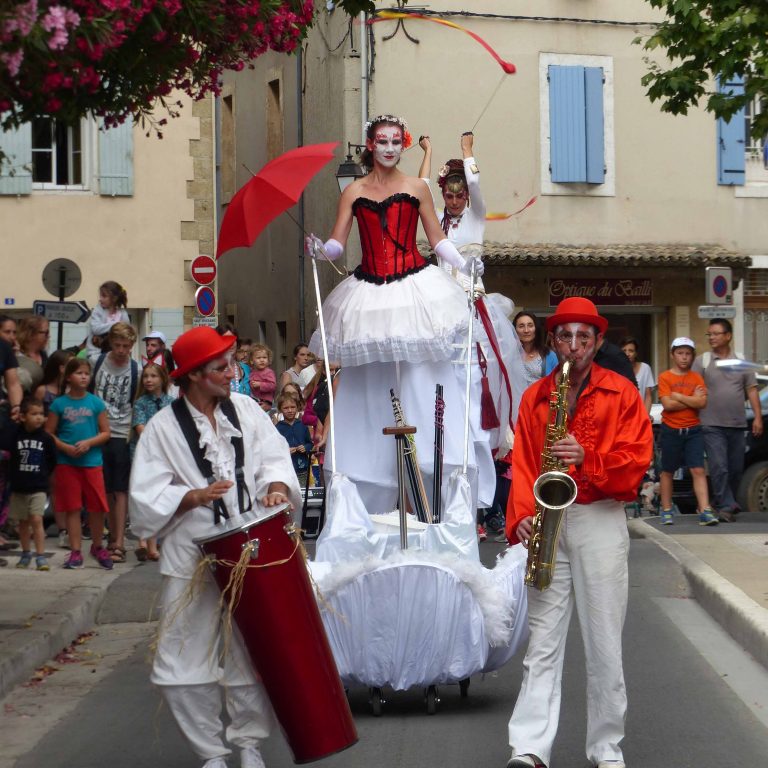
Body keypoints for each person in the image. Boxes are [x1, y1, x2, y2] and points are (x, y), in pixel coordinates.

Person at [129, 326, 302, 768]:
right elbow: (144, 501)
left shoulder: (245, 408)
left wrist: (277, 487)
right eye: (221, 367)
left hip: (252, 550)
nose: (232, 372)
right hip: (191, 553)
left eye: (231, 363)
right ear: (193, 376)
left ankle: (248, 744)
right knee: (181, 657)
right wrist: (191, 497)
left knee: (257, 649)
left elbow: (275, 457)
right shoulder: (162, 429)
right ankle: (211, 753)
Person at [306, 113, 484, 516]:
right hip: (368, 291)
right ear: (370, 145)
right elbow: (338, 243)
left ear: (402, 144)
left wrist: (467, 264)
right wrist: (320, 249)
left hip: (413, 288)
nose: (388, 148)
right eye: (380, 141)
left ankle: (428, 485)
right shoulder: (352, 191)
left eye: (394, 141)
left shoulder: (417, 187)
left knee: (421, 382)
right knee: (370, 384)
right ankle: (375, 481)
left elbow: (436, 240)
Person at [504, 296, 653, 768]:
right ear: (553, 341)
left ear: (597, 341)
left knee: (604, 641)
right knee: (541, 644)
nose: (573, 346)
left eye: (583, 338)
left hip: (600, 518)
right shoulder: (535, 397)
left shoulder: (622, 392)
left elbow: (637, 461)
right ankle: (529, 748)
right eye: (565, 337)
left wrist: (589, 458)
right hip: (548, 521)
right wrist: (522, 514)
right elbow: (525, 462)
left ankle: (606, 748)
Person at [693, 318, 763, 522]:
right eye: (709, 334)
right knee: (719, 466)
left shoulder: (741, 362)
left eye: (715, 333)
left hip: (737, 423)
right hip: (710, 424)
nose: (711, 338)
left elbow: (751, 390)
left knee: (735, 468)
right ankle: (727, 504)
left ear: (728, 336)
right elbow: (693, 389)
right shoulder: (702, 361)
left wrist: (757, 417)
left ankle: (723, 502)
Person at [47, 357, 112, 570]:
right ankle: (76, 551)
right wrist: (64, 447)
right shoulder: (59, 404)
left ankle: (97, 545)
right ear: (68, 377)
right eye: (79, 373)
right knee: (72, 508)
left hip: (92, 462)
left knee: (96, 507)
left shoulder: (95, 402)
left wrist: (88, 443)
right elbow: (49, 433)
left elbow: (105, 433)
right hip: (67, 463)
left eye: (86, 373)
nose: (84, 376)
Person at [90, 322, 139, 563]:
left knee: (121, 488)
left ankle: (119, 541)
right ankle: (110, 536)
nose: (121, 350)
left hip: (121, 432)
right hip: (98, 430)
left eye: (126, 346)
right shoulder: (97, 363)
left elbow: (135, 400)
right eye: (118, 345)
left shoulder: (134, 368)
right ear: (111, 343)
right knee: (105, 487)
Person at [657, 337, 718, 526]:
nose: (684, 357)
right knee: (667, 471)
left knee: (698, 469)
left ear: (692, 356)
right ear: (673, 355)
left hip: (693, 429)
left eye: (688, 354)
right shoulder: (665, 377)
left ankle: (705, 510)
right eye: (680, 353)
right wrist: (690, 399)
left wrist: (679, 396)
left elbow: (702, 403)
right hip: (671, 429)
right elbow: (667, 404)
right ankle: (666, 509)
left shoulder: (696, 377)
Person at [130, 362, 175, 561]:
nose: (148, 380)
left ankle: (157, 540)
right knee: (147, 495)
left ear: (162, 379)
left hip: (165, 455)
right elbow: (141, 428)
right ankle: (147, 542)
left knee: (161, 495)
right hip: (146, 455)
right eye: (145, 376)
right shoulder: (140, 402)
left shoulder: (171, 402)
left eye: (153, 376)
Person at [7, 397, 57, 570]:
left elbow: (52, 460)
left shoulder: (46, 439)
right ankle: (26, 552)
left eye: (41, 414)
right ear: (22, 417)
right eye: (34, 414)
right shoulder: (15, 435)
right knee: (23, 523)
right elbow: (9, 456)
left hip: (38, 487)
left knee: (37, 519)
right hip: (19, 487)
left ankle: (41, 556)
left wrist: (44, 475)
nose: (39, 418)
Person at [275, 392, 313, 487]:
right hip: (285, 470)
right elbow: (274, 449)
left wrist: (305, 448)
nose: (290, 410)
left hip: (303, 469)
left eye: (292, 407)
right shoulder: (277, 428)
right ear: (280, 409)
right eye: (286, 408)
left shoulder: (302, 425)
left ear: (297, 408)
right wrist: (285, 451)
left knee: (302, 494)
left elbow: (310, 443)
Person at [86, 280, 130, 361]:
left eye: (104, 296)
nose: (100, 299)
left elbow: (127, 335)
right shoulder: (97, 311)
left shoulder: (123, 314)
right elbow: (96, 329)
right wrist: (117, 325)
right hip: (96, 354)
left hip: (116, 355)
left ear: (114, 298)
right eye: (100, 296)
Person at [515, 311, 558, 389]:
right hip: (516, 400)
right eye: (521, 326)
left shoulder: (550, 355)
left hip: (539, 400)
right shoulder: (509, 356)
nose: (526, 330)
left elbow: (557, 384)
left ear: (536, 328)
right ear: (515, 330)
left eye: (530, 325)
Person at [620, 336, 655, 413]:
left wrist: (646, 416)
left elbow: (648, 396)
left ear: (636, 353)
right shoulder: (616, 370)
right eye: (624, 350)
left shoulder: (645, 368)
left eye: (631, 351)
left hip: (640, 414)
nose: (627, 354)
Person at [16, 315, 50, 393]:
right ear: (31, 334)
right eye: (45, 332)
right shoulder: (16, 354)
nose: (48, 336)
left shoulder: (43, 355)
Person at [249, 344, 277, 409]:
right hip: (255, 401)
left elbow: (273, 385)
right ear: (252, 361)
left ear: (268, 360)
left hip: (266, 402)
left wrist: (260, 384)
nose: (262, 360)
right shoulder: (252, 372)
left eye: (264, 357)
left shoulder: (268, 372)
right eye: (258, 358)